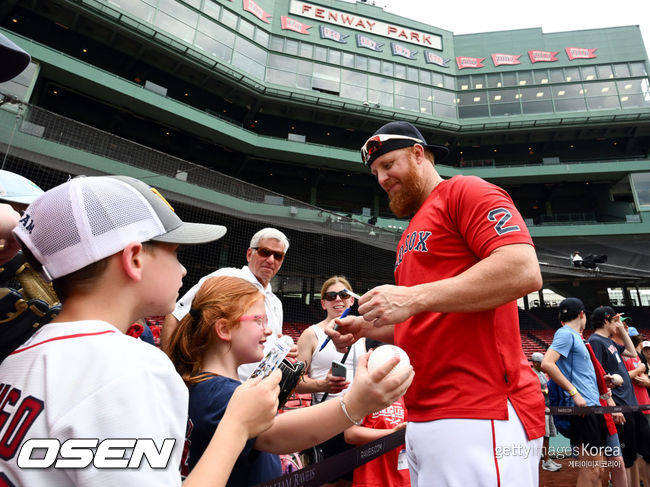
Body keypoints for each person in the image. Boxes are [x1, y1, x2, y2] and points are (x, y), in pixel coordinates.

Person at [0, 174, 285, 486]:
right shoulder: (134, 368)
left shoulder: (18, 356)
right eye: (175, 252)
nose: (183, 269)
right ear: (134, 259)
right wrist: (237, 427)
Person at [327, 121, 545, 486]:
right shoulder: (410, 232)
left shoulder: (464, 190)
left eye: (388, 165)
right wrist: (369, 328)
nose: (381, 178)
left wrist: (412, 297)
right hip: (426, 412)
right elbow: (424, 321)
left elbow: (523, 269)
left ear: (417, 154)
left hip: (481, 409)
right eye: (375, 172)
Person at [165, 275, 414, 487]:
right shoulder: (215, 391)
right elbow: (275, 436)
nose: (269, 330)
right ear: (223, 329)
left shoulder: (207, 384)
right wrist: (356, 404)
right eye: (258, 320)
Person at [164, 227, 295, 379]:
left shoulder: (276, 303)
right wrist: (170, 371)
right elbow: (175, 317)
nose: (271, 260)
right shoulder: (226, 277)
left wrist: (283, 352)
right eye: (265, 252)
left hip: (253, 391)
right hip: (217, 385)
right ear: (249, 254)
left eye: (278, 256)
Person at [541, 298, 626, 487]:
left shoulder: (576, 338)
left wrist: (601, 383)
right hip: (584, 410)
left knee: (597, 470)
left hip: (593, 407)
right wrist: (575, 393)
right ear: (582, 315)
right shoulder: (565, 334)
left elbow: (579, 374)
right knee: (591, 469)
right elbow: (547, 363)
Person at [295, 276, 367, 487]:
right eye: (331, 295)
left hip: (357, 422)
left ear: (352, 300)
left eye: (344, 294)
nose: (339, 299)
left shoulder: (361, 335)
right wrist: (323, 385)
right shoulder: (312, 334)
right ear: (323, 302)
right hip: (326, 421)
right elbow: (296, 382)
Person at [588, 306, 650, 482]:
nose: (619, 324)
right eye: (616, 320)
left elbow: (631, 352)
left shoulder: (608, 341)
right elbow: (598, 376)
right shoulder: (596, 341)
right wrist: (612, 406)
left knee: (645, 451)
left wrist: (622, 332)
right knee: (626, 458)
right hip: (620, 406)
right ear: (606, 321)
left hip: (632, 404)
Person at [344, 394, 410, 487]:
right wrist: (392, 433)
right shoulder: (366, 392)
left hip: (402, 478)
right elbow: (350, 435)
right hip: (370, 477)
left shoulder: (408, 393)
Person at [530, 352, 561, 472]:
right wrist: (546, 391)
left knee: (548, 436)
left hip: (547, 408)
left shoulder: (541, 373)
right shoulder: (532, 374)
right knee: (544, 436)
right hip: (540, 409)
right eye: (541, 362)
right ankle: (544, 461)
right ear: (535, 363)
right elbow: (534, 390)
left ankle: (547, 460)